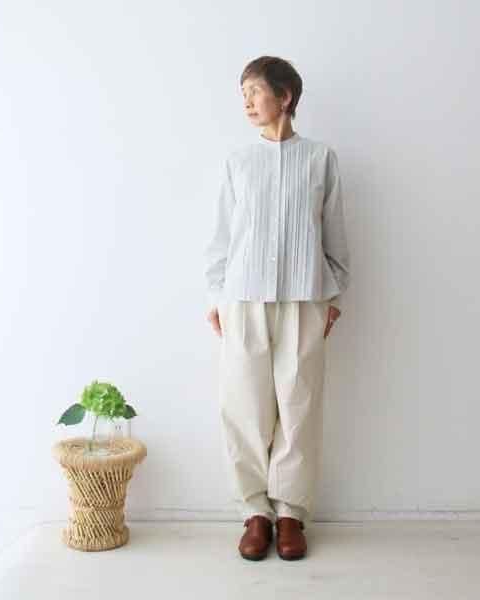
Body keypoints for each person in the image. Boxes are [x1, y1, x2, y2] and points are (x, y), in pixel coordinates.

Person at [204, 56, 350, 561]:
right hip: (243, 298)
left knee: (299, 406)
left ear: (284, 97)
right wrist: (217, 296)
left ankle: (290, 512)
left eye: (254, 91)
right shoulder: (238, 163)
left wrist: (333, 295)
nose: (246, 102)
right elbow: (222, 237)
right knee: (244, 407)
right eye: (242, 93)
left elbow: (335, 235)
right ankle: (255, 513)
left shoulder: (321, 159)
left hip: (306, 298)